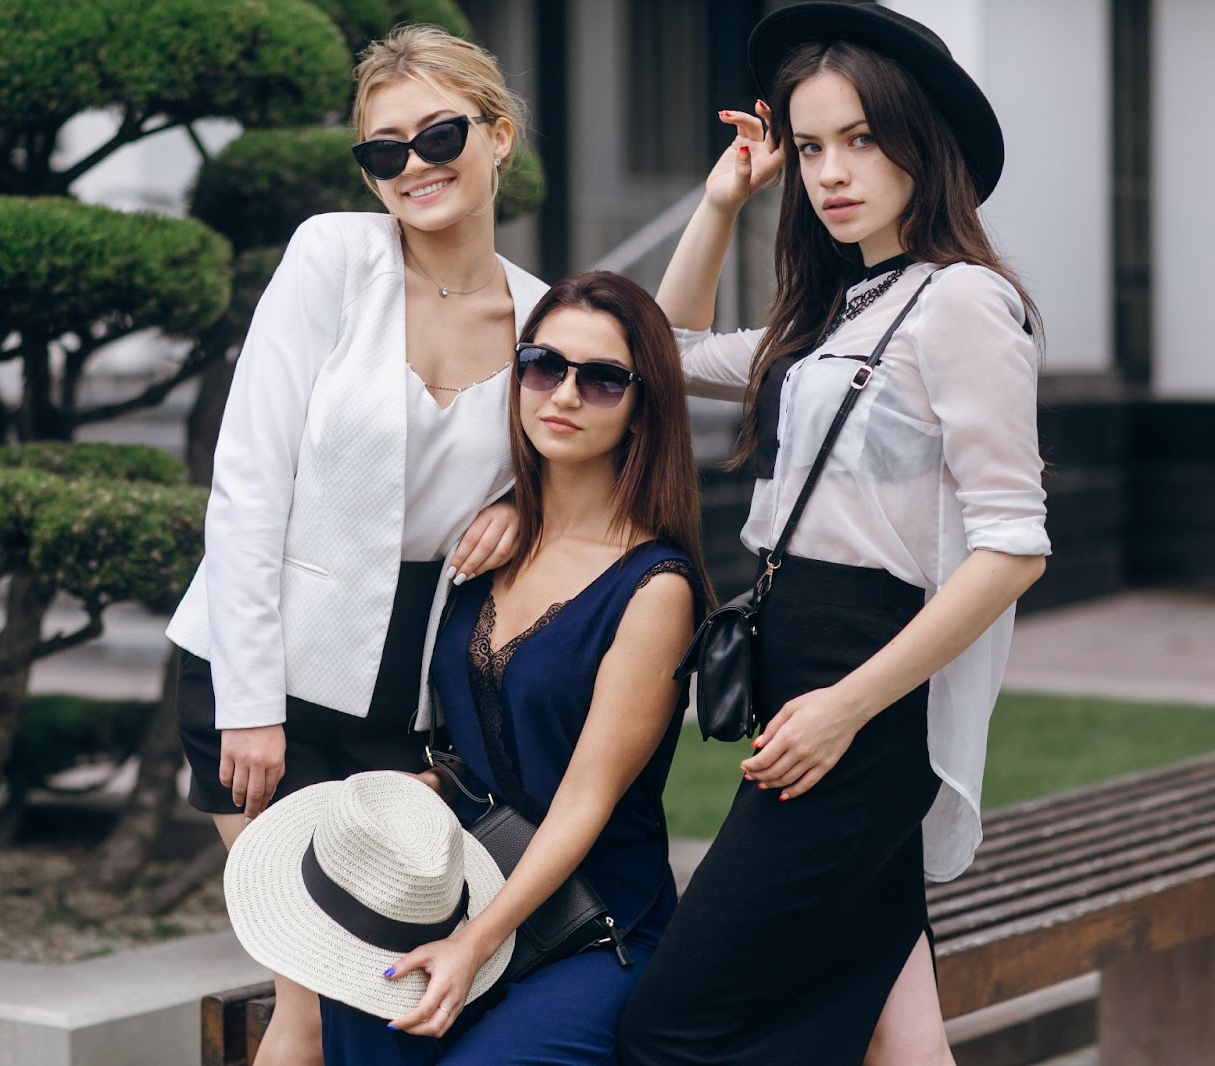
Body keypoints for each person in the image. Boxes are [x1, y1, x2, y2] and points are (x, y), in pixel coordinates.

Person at [616, 5, 1051, 1065]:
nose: (829, 171)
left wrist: (846, 709)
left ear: (920, 141)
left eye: (858, 138)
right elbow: (660, 352)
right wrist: (723, 199)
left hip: (862, 701)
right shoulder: (839, 311)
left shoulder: (963, 304)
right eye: (810, 147)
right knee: (892, 1029)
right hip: (800, 678)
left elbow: (1013, 546)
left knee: (671, 1027)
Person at [162, 24, 548, 1066]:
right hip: (261, 666)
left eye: (436, 136)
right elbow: (248, 480)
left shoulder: (545, 321)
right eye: (384, 150)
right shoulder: (332, 256)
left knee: (368, 1005)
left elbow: (618, 417)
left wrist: (525, 507)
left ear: (498, 133)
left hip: (404, 696)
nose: (412, 167)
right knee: (308, 1004)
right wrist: (249, 701)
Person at [310, 271, 713, 1064]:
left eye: (600, 380)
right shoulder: (487, 540)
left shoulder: (655, 586)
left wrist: (475, 944)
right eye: (542, 365)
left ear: (642, 410)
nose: (563, 394)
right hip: (454, 886)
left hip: (589, 922)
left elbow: (584, 802)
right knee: (357, 998)